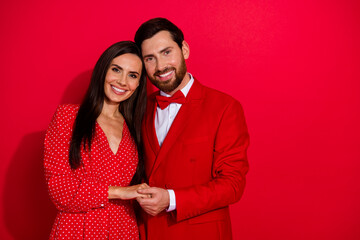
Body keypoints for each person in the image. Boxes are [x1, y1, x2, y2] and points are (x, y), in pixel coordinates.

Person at [134, 18, 250, 240]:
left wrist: (171, 200)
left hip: (200, 233)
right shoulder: (140, 109)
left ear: (184, 49)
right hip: (148, 232)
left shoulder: (225, 107)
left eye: (167, 52)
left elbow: (233, 185)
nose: (160, 66)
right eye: (150, 58)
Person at [44, 41, 150, 239]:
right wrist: (120, 192)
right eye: (116, 70)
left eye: (132, 75)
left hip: (123, 229)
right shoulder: (67, 117)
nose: (122, 81)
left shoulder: (137, 128)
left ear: (138, 84)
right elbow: (58, 188)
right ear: (103, 70)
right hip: (76, 229)